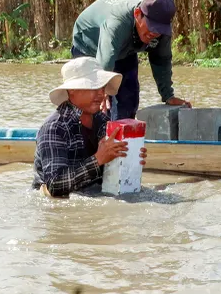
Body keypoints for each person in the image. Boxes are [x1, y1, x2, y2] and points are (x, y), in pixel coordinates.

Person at [32, 57, 147, 198]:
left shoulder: (102, 120)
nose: (101, 93)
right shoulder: (54, 128)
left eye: (102, 87)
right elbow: (55, 184)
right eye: (94, 87)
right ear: (72, 90)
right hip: (56, 203)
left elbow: (110, 168)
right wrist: (98, 159)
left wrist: (129, 158)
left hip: (92, 192)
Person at [71, 0, 191, 120]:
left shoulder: (161, 31)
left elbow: (161, 60)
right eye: (151, 27)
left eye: (159, 29)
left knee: (129, 101)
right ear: (138, 14)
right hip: (88, 44)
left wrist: (168, 96)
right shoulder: (117, 23)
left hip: (125, 49)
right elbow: (105, 58)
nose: (155, 33)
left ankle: (121, 136)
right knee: (94, 101)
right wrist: (101, 89)